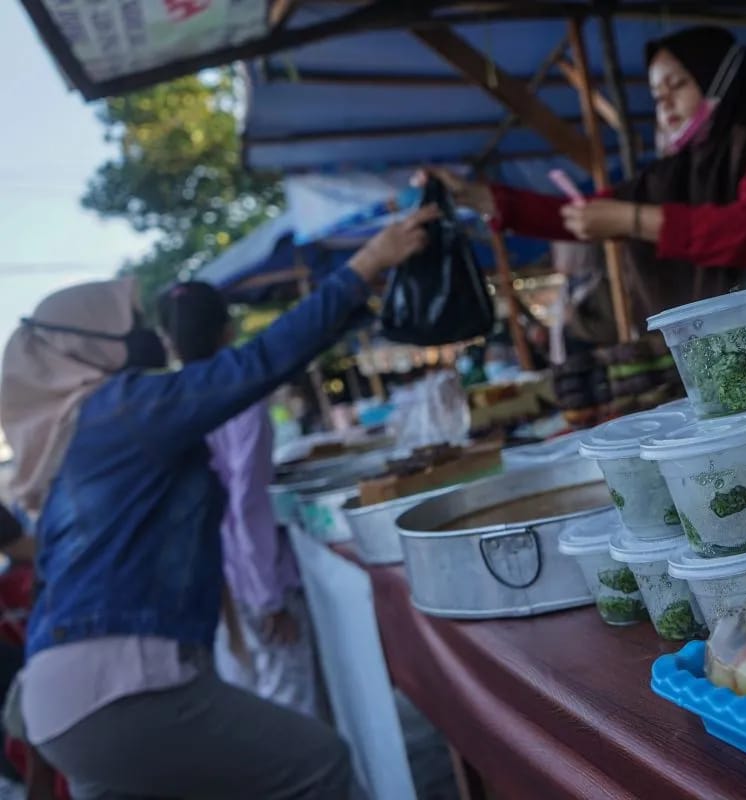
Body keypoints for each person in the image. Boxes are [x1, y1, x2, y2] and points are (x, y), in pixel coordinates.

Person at [0, 204, 437, 799]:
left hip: (65, 704)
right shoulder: (122, 410)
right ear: (89, 345)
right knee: (320, 763)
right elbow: (256, 364)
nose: (150, 335)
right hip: (121, 688)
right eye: (128, 322)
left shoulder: (69, 441)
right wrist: (365, 265)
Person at [426, 26, 746, 379]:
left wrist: (635, 220)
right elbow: (577, 216)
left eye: (678, 86)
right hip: (731, 362)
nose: (666, 105)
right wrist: (476, 195)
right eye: (657, 96)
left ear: (718, 81)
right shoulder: (674, 173)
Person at [157, 282, 318, 719]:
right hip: (253, 580)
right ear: (228, 332)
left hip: (218, 581)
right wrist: (268, 597)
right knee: (290, 708)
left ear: (169, 343)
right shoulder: (240, 397)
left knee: (254, 701)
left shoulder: (169, 405)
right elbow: (246, 504)